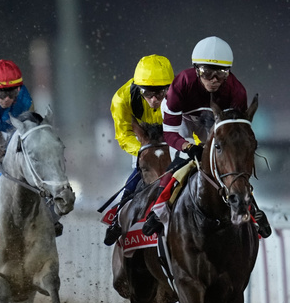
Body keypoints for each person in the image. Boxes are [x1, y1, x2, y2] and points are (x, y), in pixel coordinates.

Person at [141, 36, 270, 237]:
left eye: (220, 74)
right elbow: (170, 133)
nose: (213, 80)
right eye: (206, 73)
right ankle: (158, 211)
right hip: (183, 121)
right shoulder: (181, 85)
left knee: (230, 163)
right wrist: (186, 147)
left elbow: (234, 136)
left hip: (214, 121)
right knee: (183, 161)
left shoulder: (237, 92)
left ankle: (251, 208)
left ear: (229, 73)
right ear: (196, 70)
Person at [0, 59, 64, 236]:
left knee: (29, 162)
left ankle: (48, 213)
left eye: (12, 93)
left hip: (9, 126)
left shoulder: (25, 100)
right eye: (0, 94)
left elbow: (29, 137)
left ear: (19, 89)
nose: (7, 99)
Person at [102, 54, 174, 246]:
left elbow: (194, 128)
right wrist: (144, 151)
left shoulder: (181, 95)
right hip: (145, 145)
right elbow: (124, 135)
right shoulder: (122, 99)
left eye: (159, 94)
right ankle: (117, 219)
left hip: (173, 142)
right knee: (136, 177)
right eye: (147, 94)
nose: (153, 100)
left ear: (169, 87)